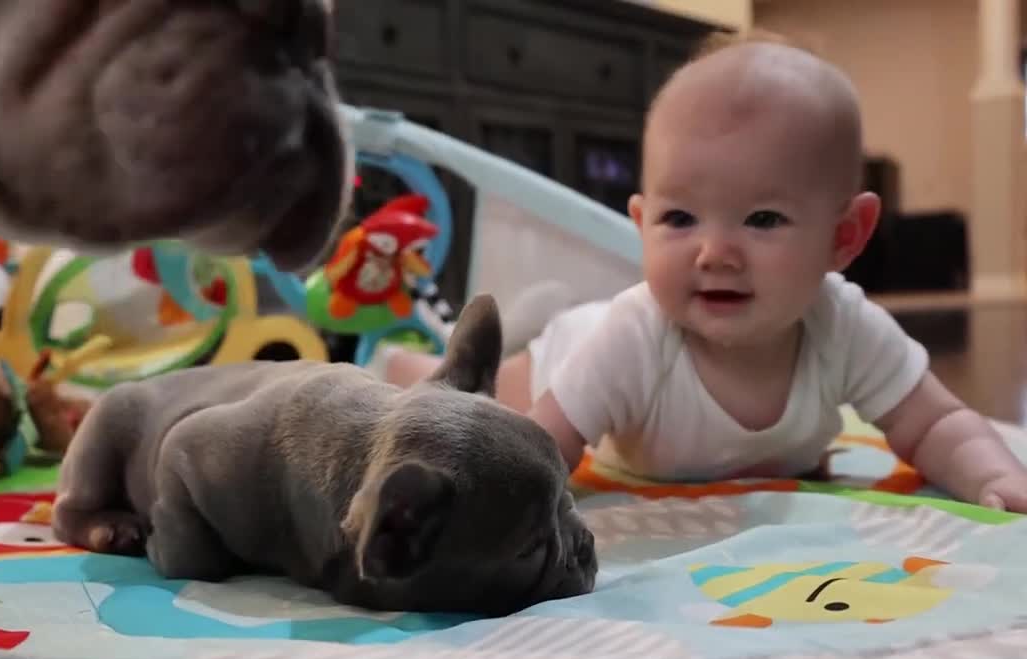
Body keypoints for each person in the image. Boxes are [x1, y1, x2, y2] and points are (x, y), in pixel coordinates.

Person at [372, 34, 1027, 513]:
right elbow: (541, 448)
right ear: (641, 222)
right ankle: (410, 361)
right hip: (575, 354)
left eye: (763, 219)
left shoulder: (845, 326)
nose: (715, 253)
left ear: (843, 237)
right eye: (681, 218)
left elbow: (937, 425)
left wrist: (994, 475)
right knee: (486, 395)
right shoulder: (633, 336)